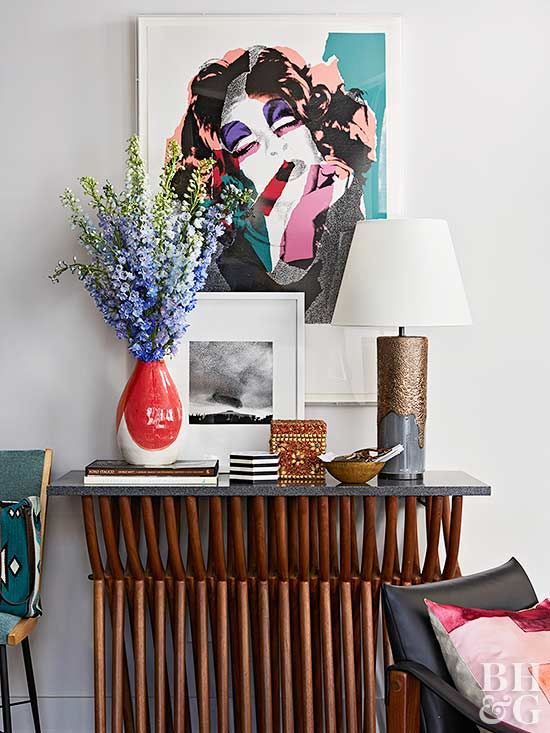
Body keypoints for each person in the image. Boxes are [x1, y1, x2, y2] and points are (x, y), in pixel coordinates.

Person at [169, 45, 378, 323]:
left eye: (284, 122)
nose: (274, 148)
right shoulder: (219, 259)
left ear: (313, 128)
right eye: (244, 145)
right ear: (233, 169)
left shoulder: (357, 224)